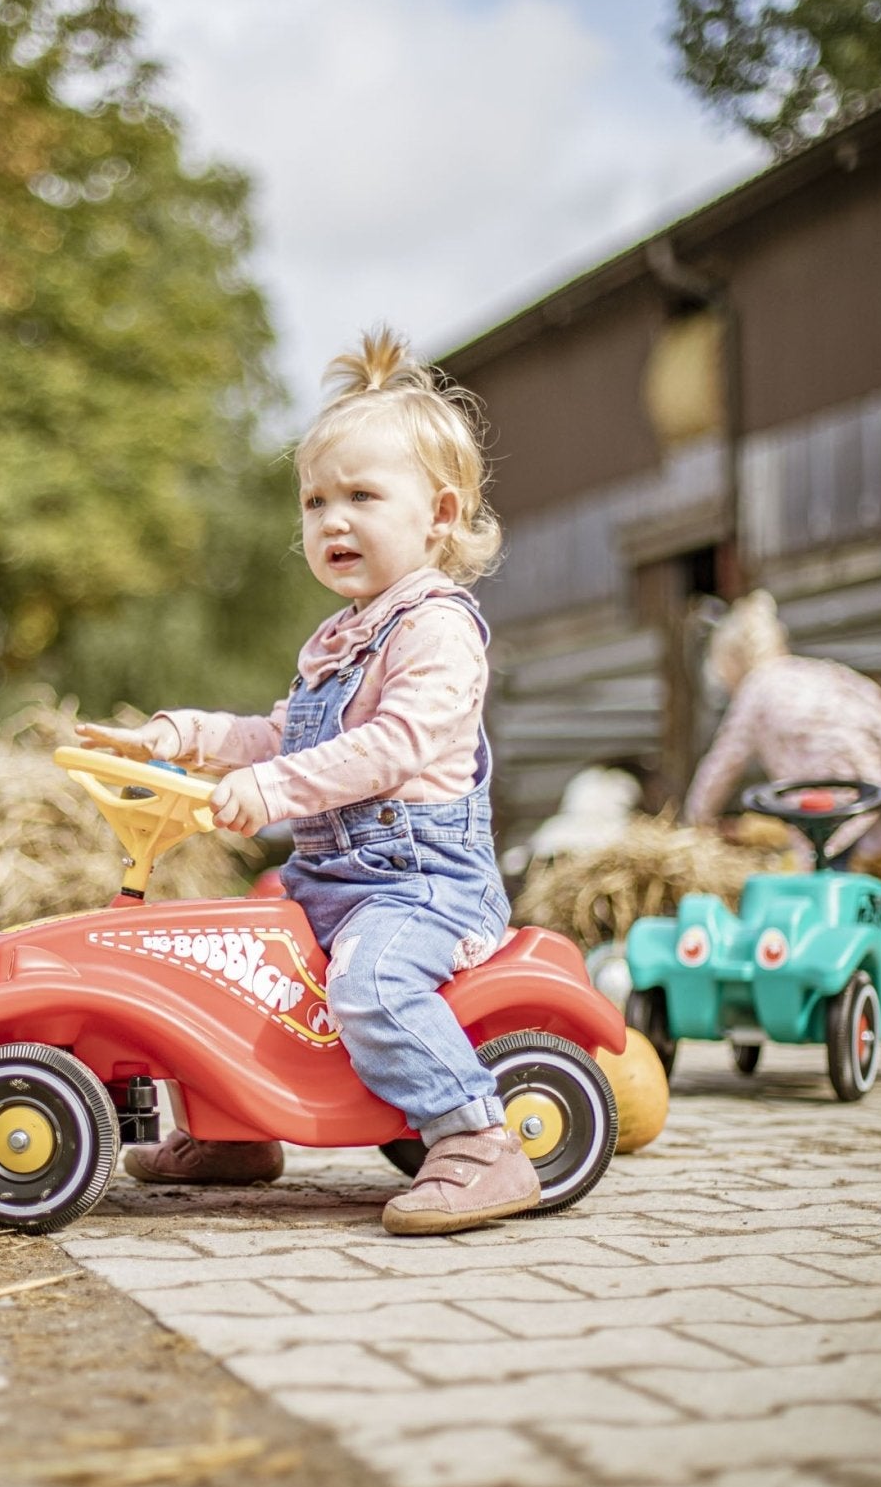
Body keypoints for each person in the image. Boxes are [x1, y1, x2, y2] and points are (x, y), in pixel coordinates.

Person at [77, 326, 539, 1238]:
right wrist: (178, 737)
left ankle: (478, 1143)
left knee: (368, 986)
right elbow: (276, 733)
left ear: (439, 515)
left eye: (361, 496)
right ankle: (236, 1129)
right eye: (314, 501)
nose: (331, 520)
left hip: (423, 891)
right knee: (233, 966)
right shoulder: (340, 642)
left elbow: (393, 748)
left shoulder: (437, 632)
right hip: (333, 885)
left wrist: (276, 789)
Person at [683, 589, 881, 860]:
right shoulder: (812, 671)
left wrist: (693, 823)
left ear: (732, 661)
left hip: (835, 792)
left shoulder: (756, 688)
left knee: (827, 865)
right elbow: (873, 703)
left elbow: (723, 763)